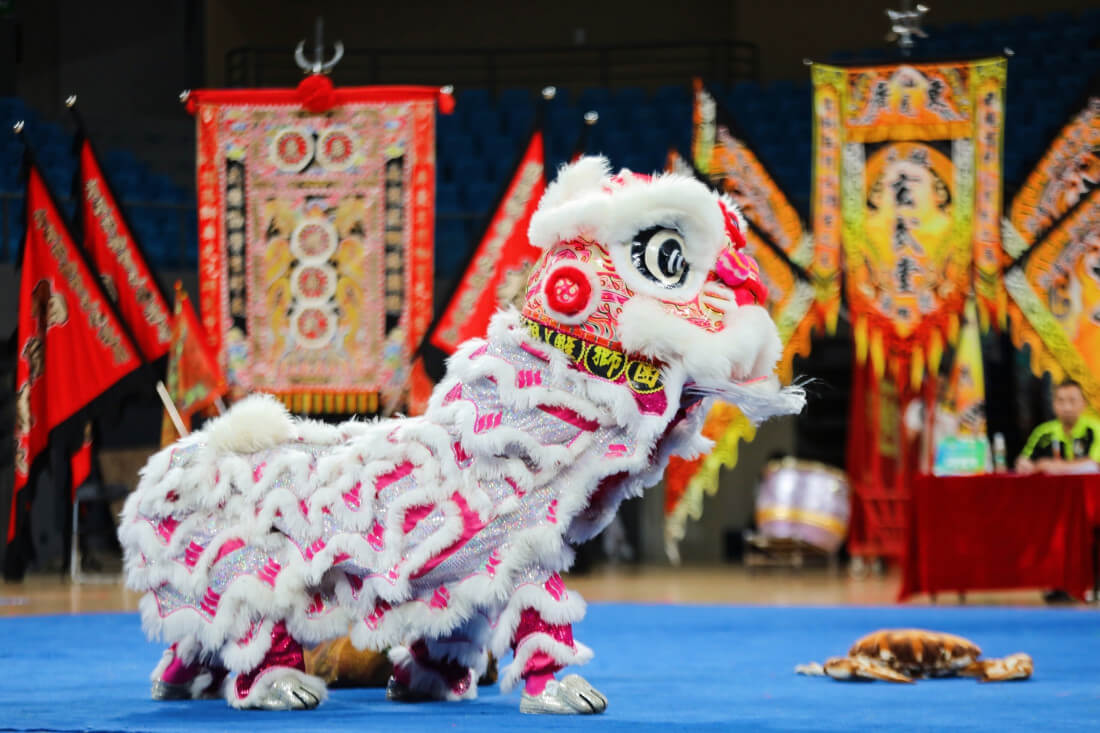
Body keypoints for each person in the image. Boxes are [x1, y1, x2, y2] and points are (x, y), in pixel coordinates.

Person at [1015, 379, 1100, 475]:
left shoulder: (1096, 429)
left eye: (1072, 401)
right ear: (1053, 404)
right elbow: (1023, 462)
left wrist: (1046, 465)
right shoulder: (1043, 432)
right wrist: (1026, 465)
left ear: (1084, 403)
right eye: (1061, 401)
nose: (1067, 407)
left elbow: (1094, 465)